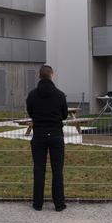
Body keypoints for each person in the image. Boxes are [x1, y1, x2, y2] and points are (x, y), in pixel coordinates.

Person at [26, 65, 68, 212]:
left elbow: (30, 112)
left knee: (39, 169)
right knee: (57, 171)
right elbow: (64, 115)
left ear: (39, 76)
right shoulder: (60, 95)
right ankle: (59, 204)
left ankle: (38, 204)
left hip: (39, 135)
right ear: (52, 75)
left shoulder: (32, 95)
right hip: (56, 135)